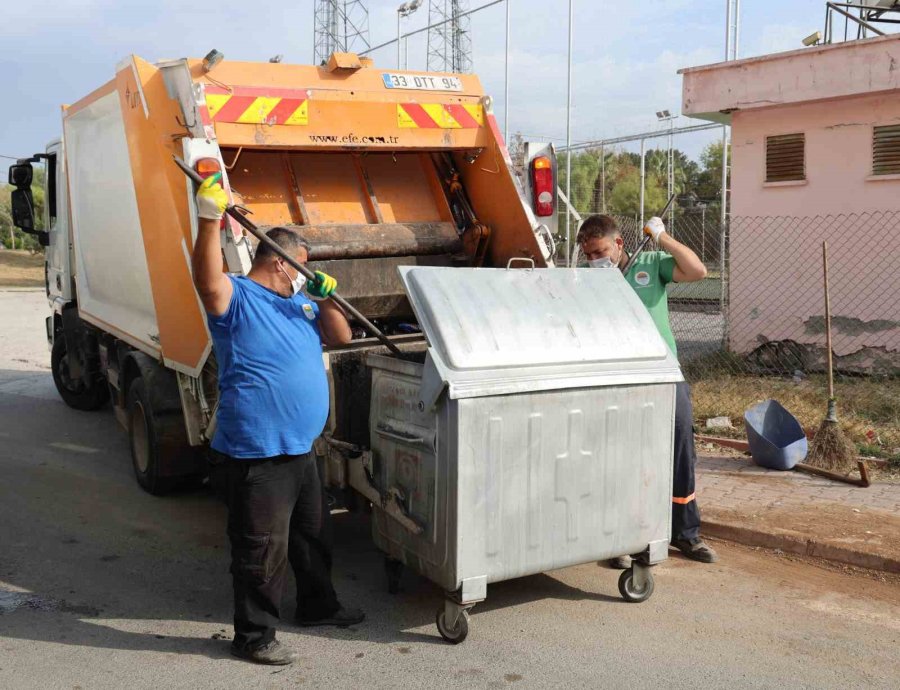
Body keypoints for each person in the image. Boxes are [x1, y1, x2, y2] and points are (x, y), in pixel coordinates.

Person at [191, 173, 364, 666]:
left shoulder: (302, 301)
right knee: (261, 549)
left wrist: (326, 297)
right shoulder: (237, 299)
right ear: (280, 262)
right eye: (302, 268)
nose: (305, 276)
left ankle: (318, 606)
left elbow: (343, 339)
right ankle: (254, 636)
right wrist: (209, 220)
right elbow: (206, 279)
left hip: (300, 447)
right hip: (257, 452)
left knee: (312, 536)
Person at [577, 214, 719, 565]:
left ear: (619, 244)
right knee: (620, 457)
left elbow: (697, 271)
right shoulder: (587, 281)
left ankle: (685, 535)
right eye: (588, 254)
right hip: (616, 380)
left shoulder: (651, 265)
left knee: (680, 449)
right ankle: (619, 539)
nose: (595, 259)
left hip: (664, 373)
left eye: (601, 251)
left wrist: (662, 237)